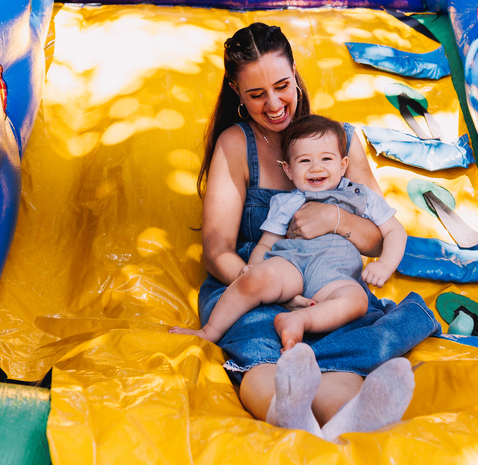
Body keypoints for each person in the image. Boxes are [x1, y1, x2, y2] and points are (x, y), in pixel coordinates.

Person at [193, 22, 438, 440]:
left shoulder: (338, 140)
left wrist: (336, 221)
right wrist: (267, 286)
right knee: (263, 353)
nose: (274, 104)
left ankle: (353, 416)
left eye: (282, 86)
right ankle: (287, 410)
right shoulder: (237, 145)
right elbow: (217, 248)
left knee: (341, 353)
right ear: (237, 92)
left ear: (295, 74)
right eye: (256, 94)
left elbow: (378, 236)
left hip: (330, 283)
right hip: (260, 284)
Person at [172, 114, 407, 351]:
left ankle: (299, 320)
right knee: (254, 280)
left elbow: (395, 231)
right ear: (289, 170)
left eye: (327, 158)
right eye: (305, 161)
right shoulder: (286, 202)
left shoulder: (360, 196)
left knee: (356, 300)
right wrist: (252, 268)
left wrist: (384, 265)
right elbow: (267, 243)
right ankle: (209, 331)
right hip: (291, 266)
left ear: (343, 165)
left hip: (335, 275)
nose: (317, 167)